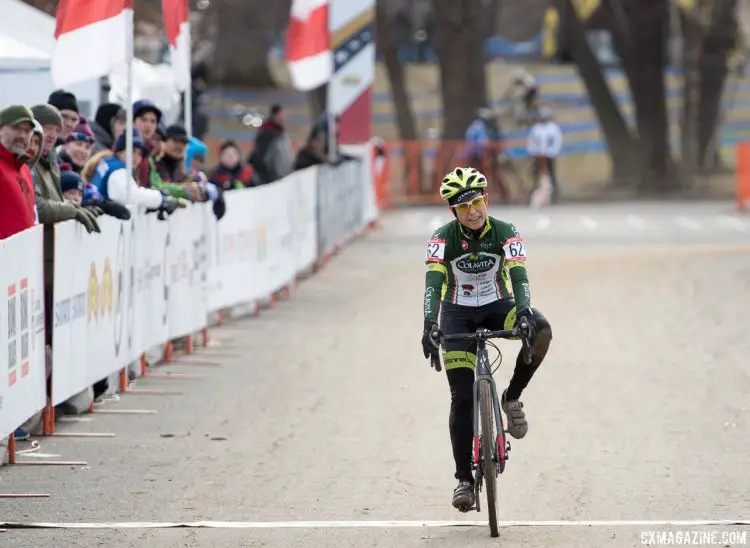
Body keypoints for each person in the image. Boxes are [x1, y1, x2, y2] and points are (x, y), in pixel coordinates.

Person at [420, 166, 553, 512]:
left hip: (498, 305)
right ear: (453, 212)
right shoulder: (442, 237)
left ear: (486, 199)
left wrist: (523, 310)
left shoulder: (506, 232)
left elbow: (519, 274)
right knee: (462, 398)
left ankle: (511, 398)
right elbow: (433, 284)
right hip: (457, 312)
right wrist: (429, 324)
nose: (473, 211)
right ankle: (464, 479)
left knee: (541, 329)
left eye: (477, 202)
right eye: (464, 207)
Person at [83, 128, 179, 213]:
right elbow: (128, 195)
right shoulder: (118, 169)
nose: (136, 157)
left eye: (140, 153)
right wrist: (160, 199)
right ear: (120, 151)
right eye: (132, 151)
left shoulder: (108, 163)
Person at [0, 105, 37, 240]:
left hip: (25, 256)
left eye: (27, 131)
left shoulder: (24, 168)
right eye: (16, 128)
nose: (22, 136)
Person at [247, 104, 293, 184]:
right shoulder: (267, 132)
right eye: (281, 115)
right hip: (269, 176)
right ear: (274, 115)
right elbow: (263, 156)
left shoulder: (279, 132)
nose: (283, 118)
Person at [527, 106, 563, 205]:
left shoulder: (554, 128)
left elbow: (557, 143)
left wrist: (551, 152)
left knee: (551, 175)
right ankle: (536, 195)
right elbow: (531, 142)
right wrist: (533, 152)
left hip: (549, 155)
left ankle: (554, 196)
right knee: (536, 176)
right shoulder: (536, 128)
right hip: (538, 156)